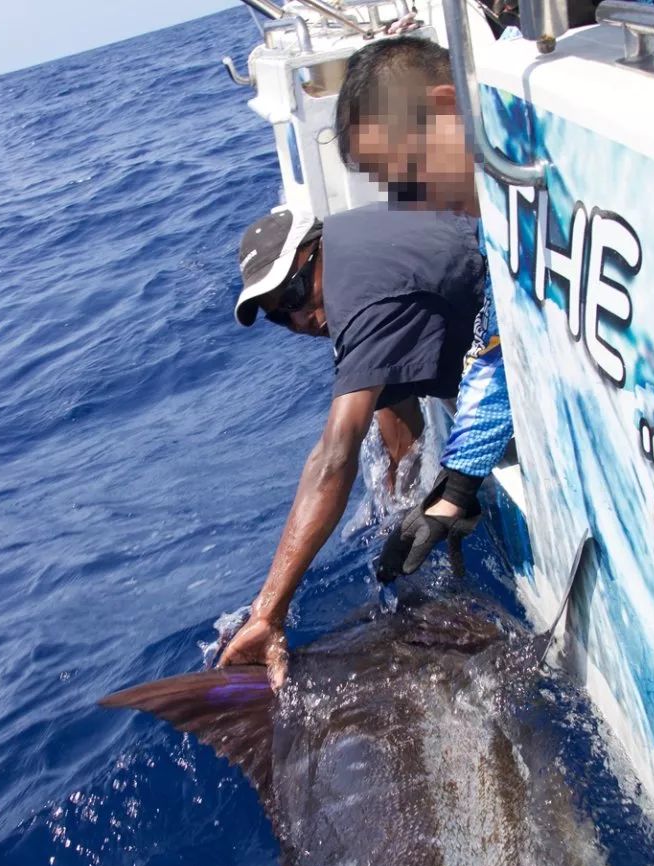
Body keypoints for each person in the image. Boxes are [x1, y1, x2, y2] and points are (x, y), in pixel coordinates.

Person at [218, 201, 486, 686]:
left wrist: (267, 612)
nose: (299, 321)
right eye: (281, 317)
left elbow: (334, 457)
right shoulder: (349, 254)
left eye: (294, 294)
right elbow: (391, 397)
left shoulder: (361, 300)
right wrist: (405, 508)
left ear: (313, 249)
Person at [334, 34, 515, 583]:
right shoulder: (490, 223)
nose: (417, 206)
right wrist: (454, 488)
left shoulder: (541, 156)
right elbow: (502, 347)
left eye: (410, 173)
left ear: (444, 107)